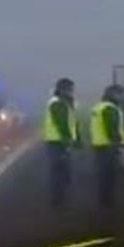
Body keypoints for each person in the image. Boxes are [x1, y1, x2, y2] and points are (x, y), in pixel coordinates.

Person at [90, 84, 124, 209]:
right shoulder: (110, 108)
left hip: (99, 144)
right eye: (121, 94)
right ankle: (107, 203)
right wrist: (118, 143)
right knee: (108, 175)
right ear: (114, 94)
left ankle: (103, 201)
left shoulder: (99, 106)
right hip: (108, 146)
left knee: (103, 174)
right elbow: (112, 128)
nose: (123, 97)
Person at [43, 77, 78, 207]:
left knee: (62, 172)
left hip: (58, 142)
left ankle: (60, 199)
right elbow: (62, 124)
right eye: (70, 89)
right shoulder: (57, 103)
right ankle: (58, 201)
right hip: (57, 143)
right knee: (60, 172)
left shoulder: (64, 102)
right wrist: (67, 143)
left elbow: (71, 122)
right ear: (62, 89)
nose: (72, 91)